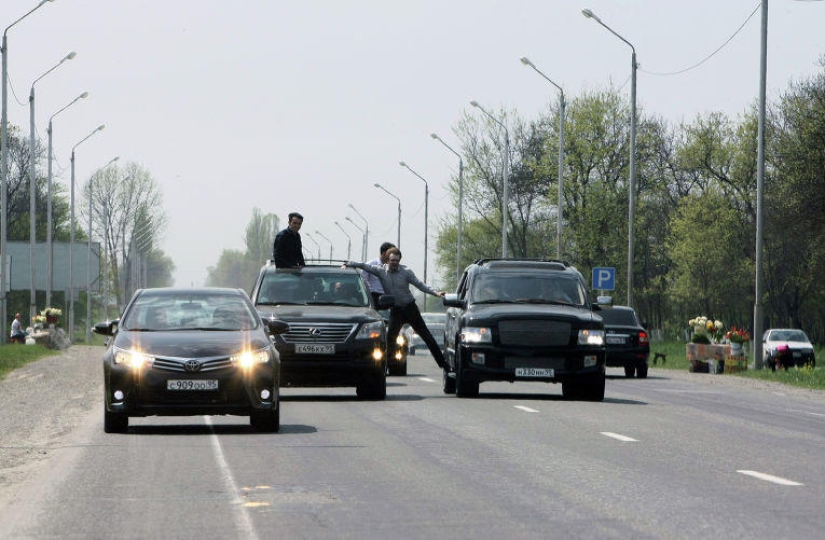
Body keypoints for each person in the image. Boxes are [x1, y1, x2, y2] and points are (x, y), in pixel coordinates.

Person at [344, 247, 448, 371]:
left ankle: (444, 365)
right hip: (396, 310)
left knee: (426, 336)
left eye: (397, 261)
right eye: (392, 260)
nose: (395, 263)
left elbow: (420, 285)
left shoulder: (406, 272)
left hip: (410, 308)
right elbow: (364, 266)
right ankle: (384, 367)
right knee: (389, 340)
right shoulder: (381, 271)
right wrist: (348, 264)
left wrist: (436, 293)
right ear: (387, 260)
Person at [361, 242, 395, 307]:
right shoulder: (370, 265)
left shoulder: (392, 267)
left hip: (388, 297)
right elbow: (363, 282)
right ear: (384, 254)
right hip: (373, 296)